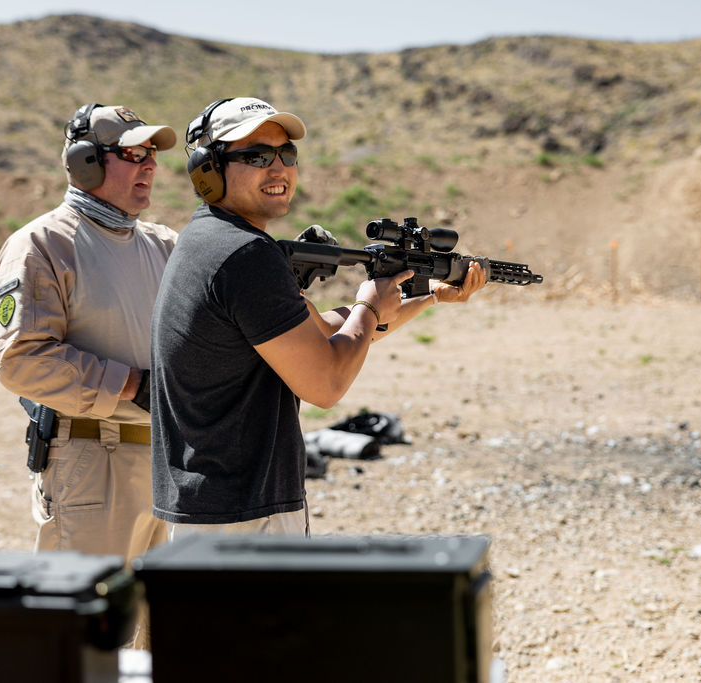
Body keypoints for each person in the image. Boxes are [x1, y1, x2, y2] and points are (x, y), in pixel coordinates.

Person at [149, 97, 486, 539]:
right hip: (246, 514)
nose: (279, 169)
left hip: (215, 506)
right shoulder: (247, 255)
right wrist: (367, 305)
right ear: (208, 170)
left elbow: (323, 332)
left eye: (286, 155)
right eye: (256, 156)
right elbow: (326, 383)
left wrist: (426, 299)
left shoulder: (209, 240)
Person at [0, 104, 178, 564]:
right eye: (133, 153)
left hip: (167, 464)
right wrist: (133, 385)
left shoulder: (165, 244)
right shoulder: (42, 244)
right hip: (94, 462)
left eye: (152, 152)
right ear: (85, 162)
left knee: (161, 632)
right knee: (88, 630)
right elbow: (19, 359)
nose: (150, 163)